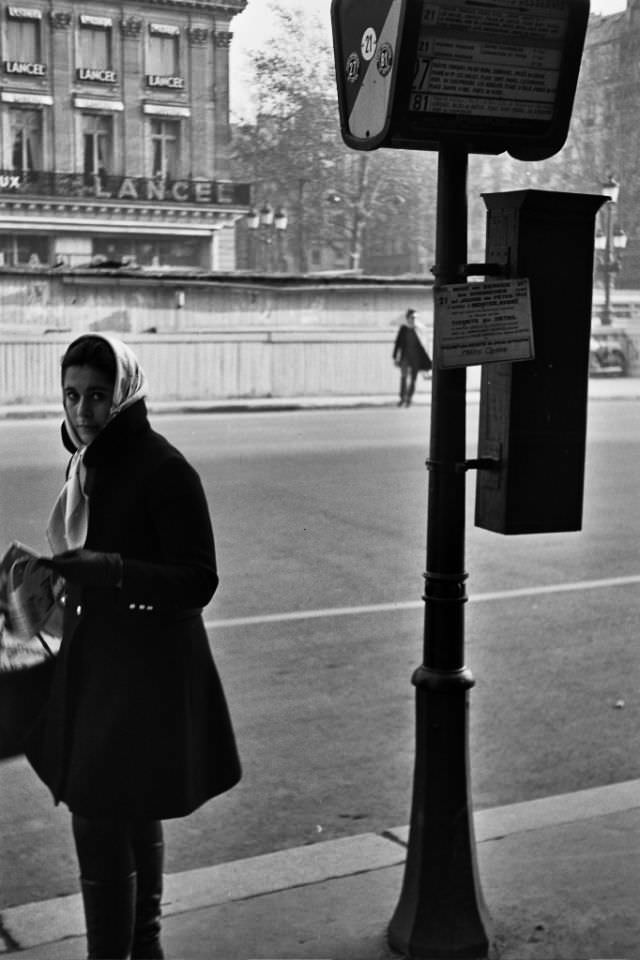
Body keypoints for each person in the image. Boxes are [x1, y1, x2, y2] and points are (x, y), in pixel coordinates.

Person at [26, 333, 241, 959]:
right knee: (127, 803)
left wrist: (113, 569)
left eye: (96, 395)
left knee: (97, 810)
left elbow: (199, 580)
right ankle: (144, 947)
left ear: (124, 392)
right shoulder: (88, 463)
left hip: (143, 673)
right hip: (98, 663)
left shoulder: (163, 468)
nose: (82, 411)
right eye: (71, 396)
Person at [392, 308, 432, 406]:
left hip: (416, 358)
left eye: (414, 318)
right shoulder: (403, 329)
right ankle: (402, 398)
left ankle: (409, 398)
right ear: (407, 318)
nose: (413, 319)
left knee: (413, 379)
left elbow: (425, 344)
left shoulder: (419, 329)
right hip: (405, 357)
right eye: (411, 317)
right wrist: (395, 356)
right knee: (404, 377)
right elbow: (398, 342)